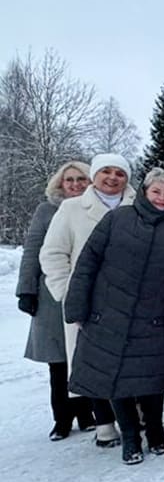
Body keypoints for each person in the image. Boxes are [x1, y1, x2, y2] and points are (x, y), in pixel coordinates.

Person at [63, 169, 164, 464]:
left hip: (157, 317)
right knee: (114, 379)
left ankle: (154, 430)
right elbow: (87, 262)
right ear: (145, 192)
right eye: (156, 192)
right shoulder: (118, 218)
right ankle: (129, 436)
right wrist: (76, 305)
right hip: (109, 313)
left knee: (152, 379)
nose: (162, 198)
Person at [39, 153, 136, 449]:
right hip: (89, 300)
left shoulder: (138, 206)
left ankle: (136, 419)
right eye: (105, 171)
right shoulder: (71, 208)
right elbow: (52, 254)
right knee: (93, 362)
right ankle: (104, 424)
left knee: (131, 361)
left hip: (131, 299)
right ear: (94, 175)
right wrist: (68, 292)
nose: (112, 178)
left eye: (119, 173)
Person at [17, 161, 95, 440]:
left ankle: (87, 413)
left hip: (88, 292)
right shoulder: (47, 210)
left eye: (81, 179)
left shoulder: (93, 209)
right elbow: (33, 250)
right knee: (58, 360)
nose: (75, 184)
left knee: (85, 355)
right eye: (69, 180)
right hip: (52, 294)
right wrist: (26, 290)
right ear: (60, 184)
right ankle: (62, 418)